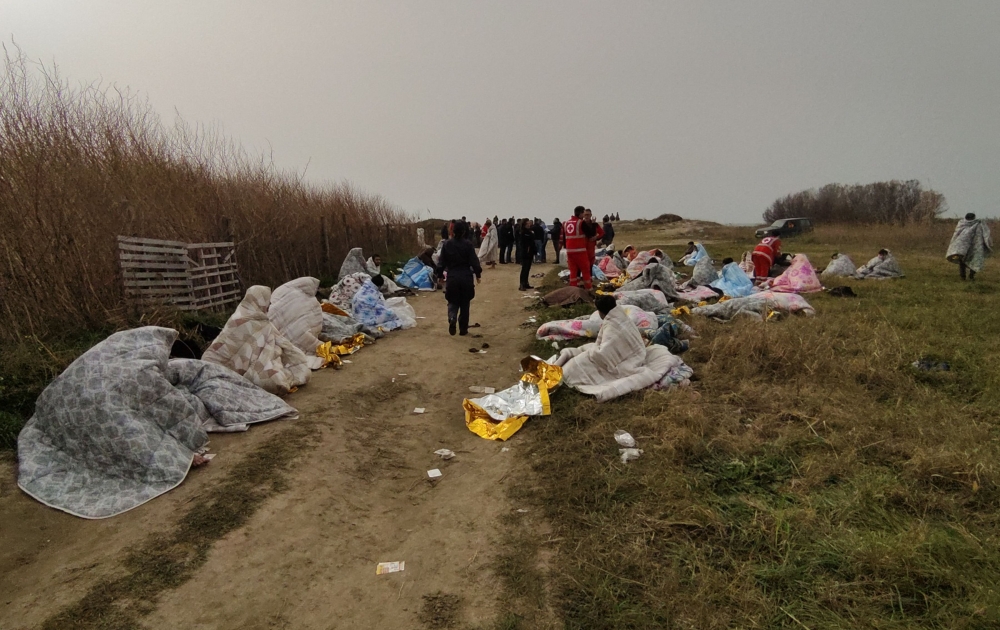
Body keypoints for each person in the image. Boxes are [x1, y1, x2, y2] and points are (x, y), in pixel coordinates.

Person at [435, 221, 482, 336]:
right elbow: (474, 261)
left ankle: (452, 317)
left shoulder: (446, 244)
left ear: (452, 231)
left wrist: (440, 275)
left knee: (452, 300)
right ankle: (463, 329)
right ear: (464, 231)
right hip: (466, 276)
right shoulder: (468, 245)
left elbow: (441, 262)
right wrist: (478, 274)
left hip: (452, 277)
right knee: (465, 303)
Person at [947, 212, 993, 280]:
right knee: (975, 260)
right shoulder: (979, 224)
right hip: (975, 247)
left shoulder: (961, 224)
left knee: (962, 261)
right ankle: (971, 276)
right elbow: (985, 234)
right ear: (973, 218)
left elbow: (956, 235)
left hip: (962, 247)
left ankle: (963, 276)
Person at [564, 206, 591, 289]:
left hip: (569, 251)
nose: (584, 215)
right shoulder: (580, 223)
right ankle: (589, 289)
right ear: (580, 213)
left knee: (573, 271)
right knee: (585, 270)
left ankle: (573, 289)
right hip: (580, 251)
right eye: (583, 213)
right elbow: (590, 233)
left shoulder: (566, 223)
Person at [519, 218, 538, 291]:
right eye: (527, 223)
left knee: (528, 269)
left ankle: (526, 283)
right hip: (525, 253)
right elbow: (524, 243)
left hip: (530, 253)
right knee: (524, 269)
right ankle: (521, 284)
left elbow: (532, 243)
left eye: (529, 223)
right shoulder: (523, 232)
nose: (528, 224)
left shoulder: (530, 232)